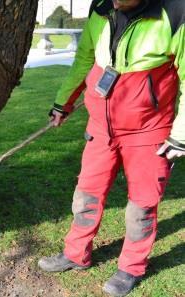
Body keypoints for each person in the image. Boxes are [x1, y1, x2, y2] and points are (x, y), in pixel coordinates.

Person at [38, 0, 185, 296]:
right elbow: (84, 58)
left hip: (149, 130)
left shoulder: (176, 12)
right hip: (101, 127)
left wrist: (180, 134)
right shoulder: (101, 6)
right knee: (86, 194)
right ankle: (76, 254)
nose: (115, 1)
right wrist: (62, 102)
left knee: (141, 207)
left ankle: (131, 267)